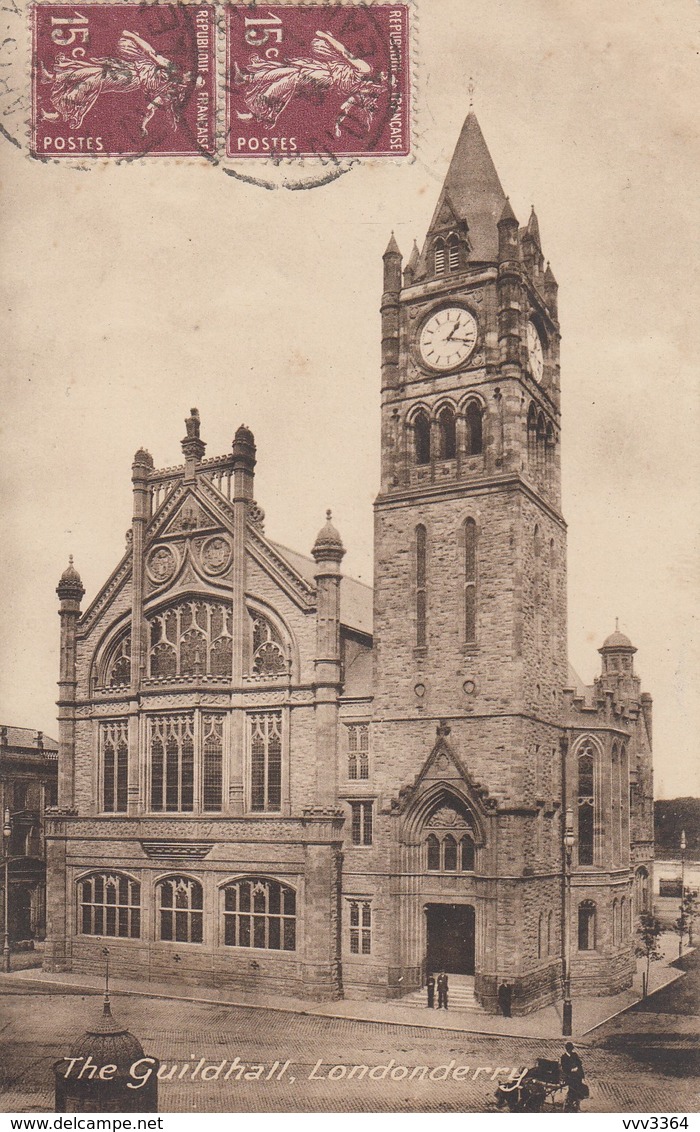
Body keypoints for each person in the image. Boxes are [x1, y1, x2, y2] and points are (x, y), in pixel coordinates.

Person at [560, 1042, 587, 1111]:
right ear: (567, 1049)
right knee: (572, 1090)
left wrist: (579, 1072)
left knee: (578, 1090)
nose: (570, 1050)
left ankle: (576, 1104)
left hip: (577, 1076)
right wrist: (572, 1069)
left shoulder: (574, 1055)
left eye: (571, 1049)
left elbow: (579, 1063)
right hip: (570, 1076)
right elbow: (564, 1068)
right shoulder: (563, 1057)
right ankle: (569, 1103)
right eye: (569, 1049)